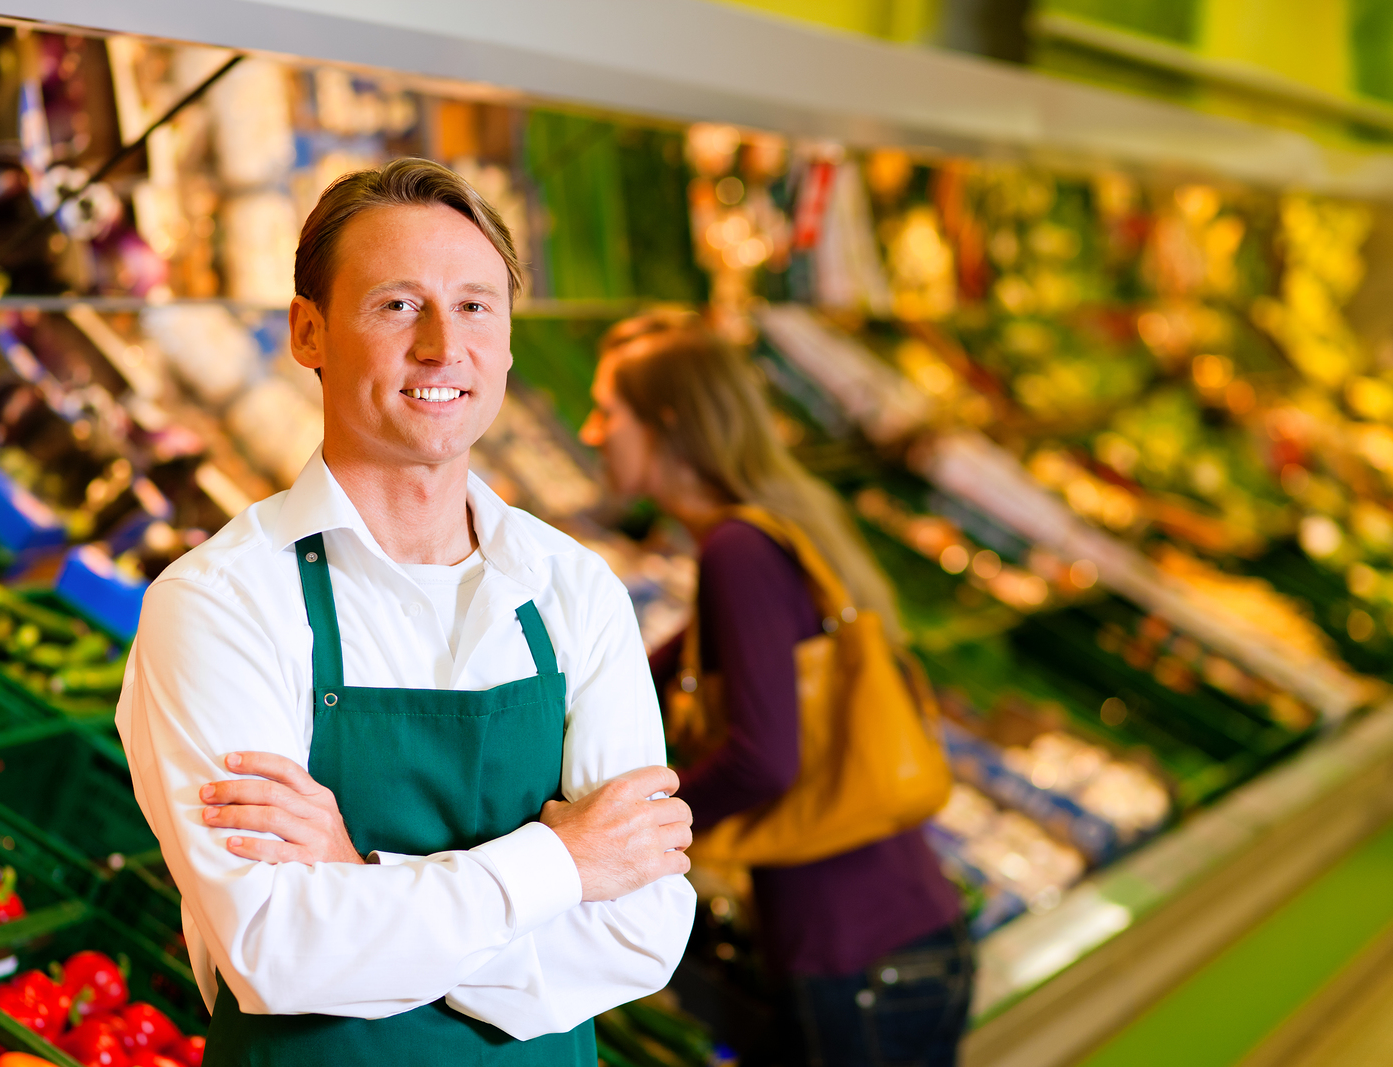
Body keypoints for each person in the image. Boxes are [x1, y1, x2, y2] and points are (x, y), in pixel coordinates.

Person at [116, 159, 697, 1067]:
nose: (442, 345)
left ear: (506, 342)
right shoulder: (219, 603)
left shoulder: (576, 590)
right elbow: (278, 949)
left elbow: (643, 932)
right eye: (397, 305)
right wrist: (561, 863)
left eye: (475, 306)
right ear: (309, 332)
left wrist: (358, 880)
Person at [580, 314, 972, 1067]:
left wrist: (620, 840)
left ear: (667, 422)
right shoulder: (772, 530)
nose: (592, 432)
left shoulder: (738, 552)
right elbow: (652, 668)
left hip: (855, 953)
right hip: (899, 938)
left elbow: (763, 760)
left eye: (608, 411)